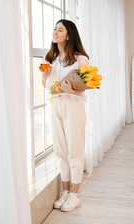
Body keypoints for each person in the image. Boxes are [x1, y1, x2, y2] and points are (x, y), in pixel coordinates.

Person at [41, 19, 90, 212]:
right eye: (54, 29)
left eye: (59, 30)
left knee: (74, 151)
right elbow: (47, 88)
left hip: (73, 106)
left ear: (68, 35)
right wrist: (44, 78)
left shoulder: (80, 59)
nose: (55, 32)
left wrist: (71, 90)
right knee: (60, 150)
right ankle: (66, 192)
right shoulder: (50, 60)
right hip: (55, 106)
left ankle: (75, 194)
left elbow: (88, 84)